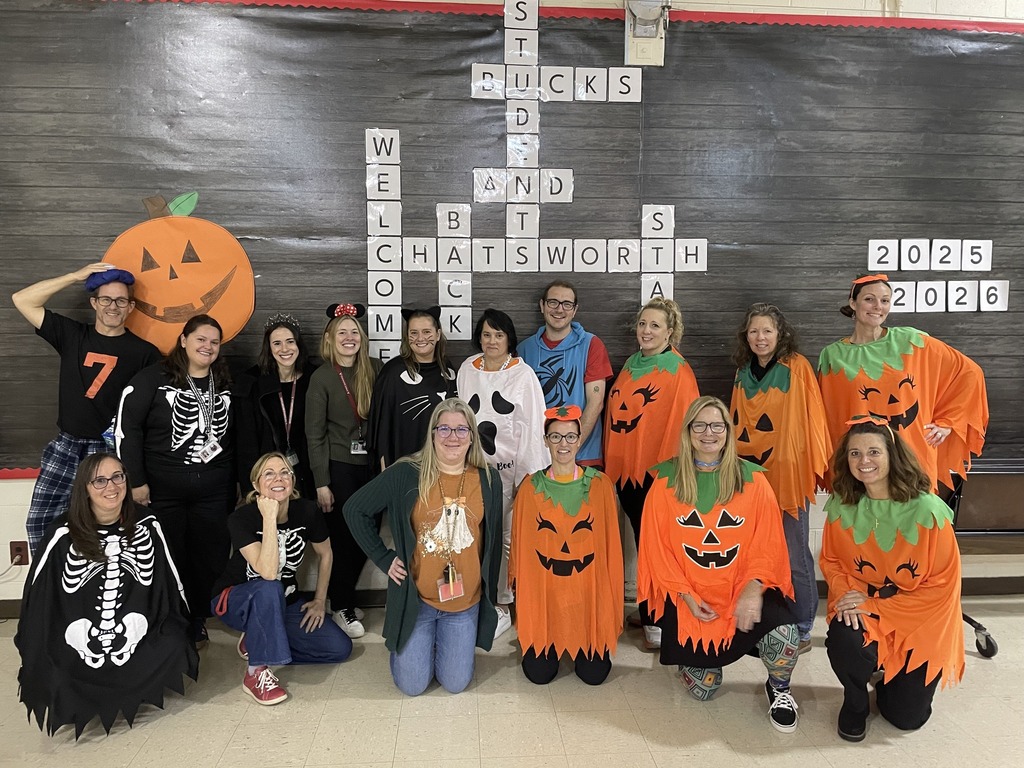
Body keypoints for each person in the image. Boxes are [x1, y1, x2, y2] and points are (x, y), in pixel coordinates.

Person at [637, 396, 800, 733]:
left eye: (716, 425)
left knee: (785, 635)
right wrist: (686, 597)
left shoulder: (753, 481)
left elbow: (768, 543)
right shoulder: (665, 483)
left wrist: (753, 589)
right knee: (703, 690)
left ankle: (780, 690)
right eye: (699, 425)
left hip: (741, 592)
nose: (708, 433)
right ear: (688, 431)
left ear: (727, 431)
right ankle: (688, 657)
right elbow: (657, 550)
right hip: (692, 599)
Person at [15, 453, 198, 737]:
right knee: (58, 667)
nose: (110, 487)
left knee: (173, 641)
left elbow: (171, 586)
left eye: (117, 477)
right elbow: (38, 601)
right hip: (80, 634)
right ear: (84, 488)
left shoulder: (148, 524)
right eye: (99, 480)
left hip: (134, 629)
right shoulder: (63, 533)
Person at [343, 398, 503, 696]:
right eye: (444, 429)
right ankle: (419, 645)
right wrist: (382, 557)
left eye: (461, 429)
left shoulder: (488, 478)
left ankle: (443, 642)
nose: (452, 437)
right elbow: (354, 509)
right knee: (412, 686)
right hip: (418, 601)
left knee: (455, 683)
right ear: (432, 434)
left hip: (464, 602)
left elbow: (492, 542)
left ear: (471, 436)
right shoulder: (406, 472)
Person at [820, 417, 964, 742]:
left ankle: (888, 677)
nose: (864, 461)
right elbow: (832, 561)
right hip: (866, 609)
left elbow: (942, 586)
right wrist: (846, 596)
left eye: (873, 451)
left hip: (919, 620)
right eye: (854, 454)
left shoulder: (928, 511)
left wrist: (871, 603)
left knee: (906, 718)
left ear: (892, 455)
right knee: (845, 638)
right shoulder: (842, 506)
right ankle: (855, 702)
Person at [12, 263, 161, 552]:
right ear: (94, 302)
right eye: (105, 299)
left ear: (131, 306)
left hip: (110, 449)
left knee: (107, 527)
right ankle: (48, 588)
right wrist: (74, 276)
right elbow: (22, 299)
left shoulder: (145, 353)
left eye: (120, 300)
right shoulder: (72, 335)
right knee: (41, 521)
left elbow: (151, 415)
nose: (112, 307)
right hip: (68, 445)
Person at [115, 313, 235, 646]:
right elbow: (128, 430)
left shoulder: (224, 380)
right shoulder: (151, 379)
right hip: (162, 490)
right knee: (167, 555)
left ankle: (197, 618)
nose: (207, 346)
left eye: (214, 342)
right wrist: (135, 481)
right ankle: (170, 620)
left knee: (208, 557)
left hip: (213, 490)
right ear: (183, 340)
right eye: (200, 339)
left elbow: (237, 435)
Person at [818, 274, 989, 492]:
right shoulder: (832, 356)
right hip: (860, 467)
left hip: (911, 459)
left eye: (885, 300)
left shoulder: (913, 341)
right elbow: (825, 416)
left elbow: (969, 373)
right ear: (853, 303)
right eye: (870, 299)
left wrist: (949, 422)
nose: (878, 306)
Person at [211, 452, 352, 706]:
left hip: (284, 602)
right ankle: (255, 673)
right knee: (268, 586)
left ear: (293, 479)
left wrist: (320, 599)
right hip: (236, 599)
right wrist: (268, 517)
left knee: (339, 648)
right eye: (269, 473)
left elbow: (326, 552)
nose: (278, 478)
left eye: (284, 472)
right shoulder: (241, 518)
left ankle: (258, 639)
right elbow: (267, 572)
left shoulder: (307, 511)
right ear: (255, 485)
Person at [730, 303, 830, 654]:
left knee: (793, 553)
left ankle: (803, 626)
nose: (760, 337)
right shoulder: (743, 371)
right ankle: (768, 621)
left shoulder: (797, 367)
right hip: (753, 478)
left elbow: (811, 420)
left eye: (767, 331)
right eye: (754, 331)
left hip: (787, 474)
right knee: (755, 554)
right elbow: (736, 422)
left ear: (780, 334)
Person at [603, 297, 699, 650]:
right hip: (628, 472)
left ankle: (659, 621)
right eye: (643, 324)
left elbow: (685, 426)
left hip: (657, 475)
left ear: (670, 332)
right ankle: (649, 609)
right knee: (644, 546)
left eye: (655, 325)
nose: (646, 331)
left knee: (657, 549)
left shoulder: (677, 371)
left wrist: (669, 476)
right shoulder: (632, 363)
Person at [510, 405, 623, 685]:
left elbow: (610, 548)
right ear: (546, 440)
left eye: (571, 437)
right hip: (546, 594)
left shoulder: (600, 485)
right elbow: (522, 551)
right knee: (539, 674)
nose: (564, 444)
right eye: (557, 437)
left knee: (594, 675)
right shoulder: (529, 488)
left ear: (580, 438)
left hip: (587, 594)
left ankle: (584, 635)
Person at [456, 308, 548, 640]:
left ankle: (503, 602)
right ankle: (476, 598)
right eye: (486, 334)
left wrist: (529, 476)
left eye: (499, 335)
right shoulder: (468, 369)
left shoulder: (523, 375)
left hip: (511, 473)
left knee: (506, 537)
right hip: (473, 470)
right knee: (474, 534)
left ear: (509, 339)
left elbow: (533, 427)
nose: (492, 341)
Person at [305, 303, 382, 639]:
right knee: (344, 537)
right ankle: (343, 604)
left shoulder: (375, 369)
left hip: (371, 467)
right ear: (330, 339)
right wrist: (322, 483)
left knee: (369, 534)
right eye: (342, 333)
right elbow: (314, 434)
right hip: (339, 468)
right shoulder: (322, 377)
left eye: (354, 332)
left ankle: (343, 597)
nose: (349, 338)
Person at [519, 280, 613, 467]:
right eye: (553, 302)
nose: (559, 309)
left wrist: (570, 447)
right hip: (538, 457)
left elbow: (596, 402)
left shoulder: (591, 345)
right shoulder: (524, 350)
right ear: (542, 306)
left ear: (574, 309)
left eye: (567, 304)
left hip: (584, 455)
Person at [235, 313, 317, 499]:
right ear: (269, 348)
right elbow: (246, 440)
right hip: (268, 476)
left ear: (298, 345)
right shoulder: (252, 382)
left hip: (307, 471)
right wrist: (250, 486)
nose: (285, 349)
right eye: (277, 343)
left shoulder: (315, 378)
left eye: (290, 341)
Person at [367, 306, 457, 469]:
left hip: (442, 464)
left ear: (437, 334)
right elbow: (382, 427)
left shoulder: (448, 369)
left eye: (427, 332)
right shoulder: (393, 372)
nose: (420, 338)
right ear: (407, 337)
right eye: (414, 333)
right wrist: (385, 472)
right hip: (405, 464)